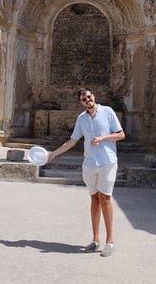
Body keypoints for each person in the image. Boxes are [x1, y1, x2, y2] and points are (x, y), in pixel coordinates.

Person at [48, 88, 125, 257]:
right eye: (84, 99)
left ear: (94, 97)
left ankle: (110, 241)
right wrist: (53, 154)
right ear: (81, 102)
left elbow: (121, 134)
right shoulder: (81, 119)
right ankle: (96, 239)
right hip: (89, 164)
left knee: (105, 198)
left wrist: (102, 138)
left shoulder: (108, 112)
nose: (87, 100)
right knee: (94, 200)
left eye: (89, 97)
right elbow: (72, 141)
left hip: (107, 162)